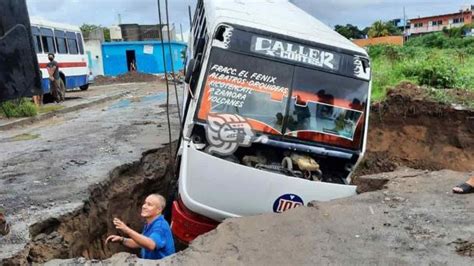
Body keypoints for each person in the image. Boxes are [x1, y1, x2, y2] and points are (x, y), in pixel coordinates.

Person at [105, 194, 175, 260]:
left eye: (149, 205)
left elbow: (151, 244)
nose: (144, 206)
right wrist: (122, 240)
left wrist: (126, 229)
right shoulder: (150, 223)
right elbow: (140, 242)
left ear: (159, 210)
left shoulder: (160, 226)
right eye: (145, 203)